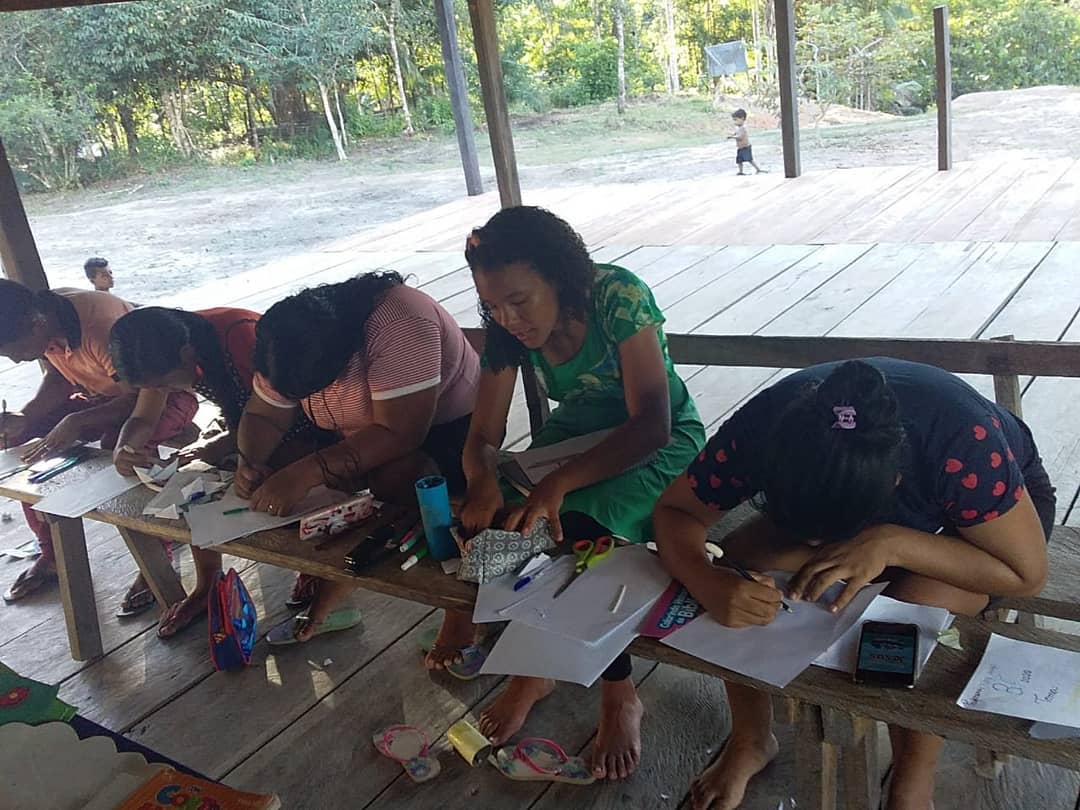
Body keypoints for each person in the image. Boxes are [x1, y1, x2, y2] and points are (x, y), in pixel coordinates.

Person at [653, 358, 1053, 810]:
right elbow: (675, 512)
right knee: (743, 571)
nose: (814, 547)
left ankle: (910, 780)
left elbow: (1025, 573)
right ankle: (750, 739)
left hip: (985, 528)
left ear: (895, 486)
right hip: (846, 499)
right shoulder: (765, 430)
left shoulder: (960, 440)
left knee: (919, 609)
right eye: (807, 533)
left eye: (825, 537)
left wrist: (893, 543)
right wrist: (706, 579)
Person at [440, 205, 705, 780]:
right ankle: (536, 665)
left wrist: (559, 483)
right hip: (577, 434)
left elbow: (652, 423)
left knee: (587, 530)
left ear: (560, 276)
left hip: (657, 436)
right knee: (509, 523)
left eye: (519, 300)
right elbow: (482, 435)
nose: (507, 317)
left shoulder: (618, 296)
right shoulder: (508, 332)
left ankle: (619, 693)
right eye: (493, 305)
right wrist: (482, 479)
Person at [235, 272, 479, 643]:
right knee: (286, 469)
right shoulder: (287, 341)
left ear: (344, 356)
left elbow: (401, 433)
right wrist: (248, 462)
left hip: (446, 430)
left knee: (397, 479)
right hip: (357, 432)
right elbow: (263, 415)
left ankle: (457, 608)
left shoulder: (399, 322)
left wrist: (310, 471)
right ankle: (332, 583)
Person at [109, 305, 325, 637]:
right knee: (201, 484)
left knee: (283, 484)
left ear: (185, 354)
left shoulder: (240, 336)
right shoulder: (159, 351)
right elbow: (143, 418)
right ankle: (207, 584)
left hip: (306, 415)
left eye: (166, 385)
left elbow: (279, 408)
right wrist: (125, 447)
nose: (165, 392)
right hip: (247, 422)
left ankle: (314, 568)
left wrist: (231, 448)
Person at [0, 281, 198, 610]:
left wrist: (78, 422)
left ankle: (158, 552)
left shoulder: (98, 328)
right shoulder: (46, 316)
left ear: (36, 324)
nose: (18, 361)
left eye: (14, 351)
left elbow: (142, 396)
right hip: (105, 395)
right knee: (23, 439)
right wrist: (26, 415)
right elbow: (60, 376)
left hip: (164, 392)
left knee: (119, 452)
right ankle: (52, 552)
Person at [728, 109, 764, 176]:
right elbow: (736, 133)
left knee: (749, 159)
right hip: (740, 148)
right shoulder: (738, 128)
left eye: (736, 120)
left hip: (746, 147)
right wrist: (732, 134)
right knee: (739, 160)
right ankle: (740, 171)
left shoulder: (743, 128)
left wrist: (732, 137)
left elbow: (740, 137)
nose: (734, 122)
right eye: (734, 120)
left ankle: (758, 169)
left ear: (742, 118)